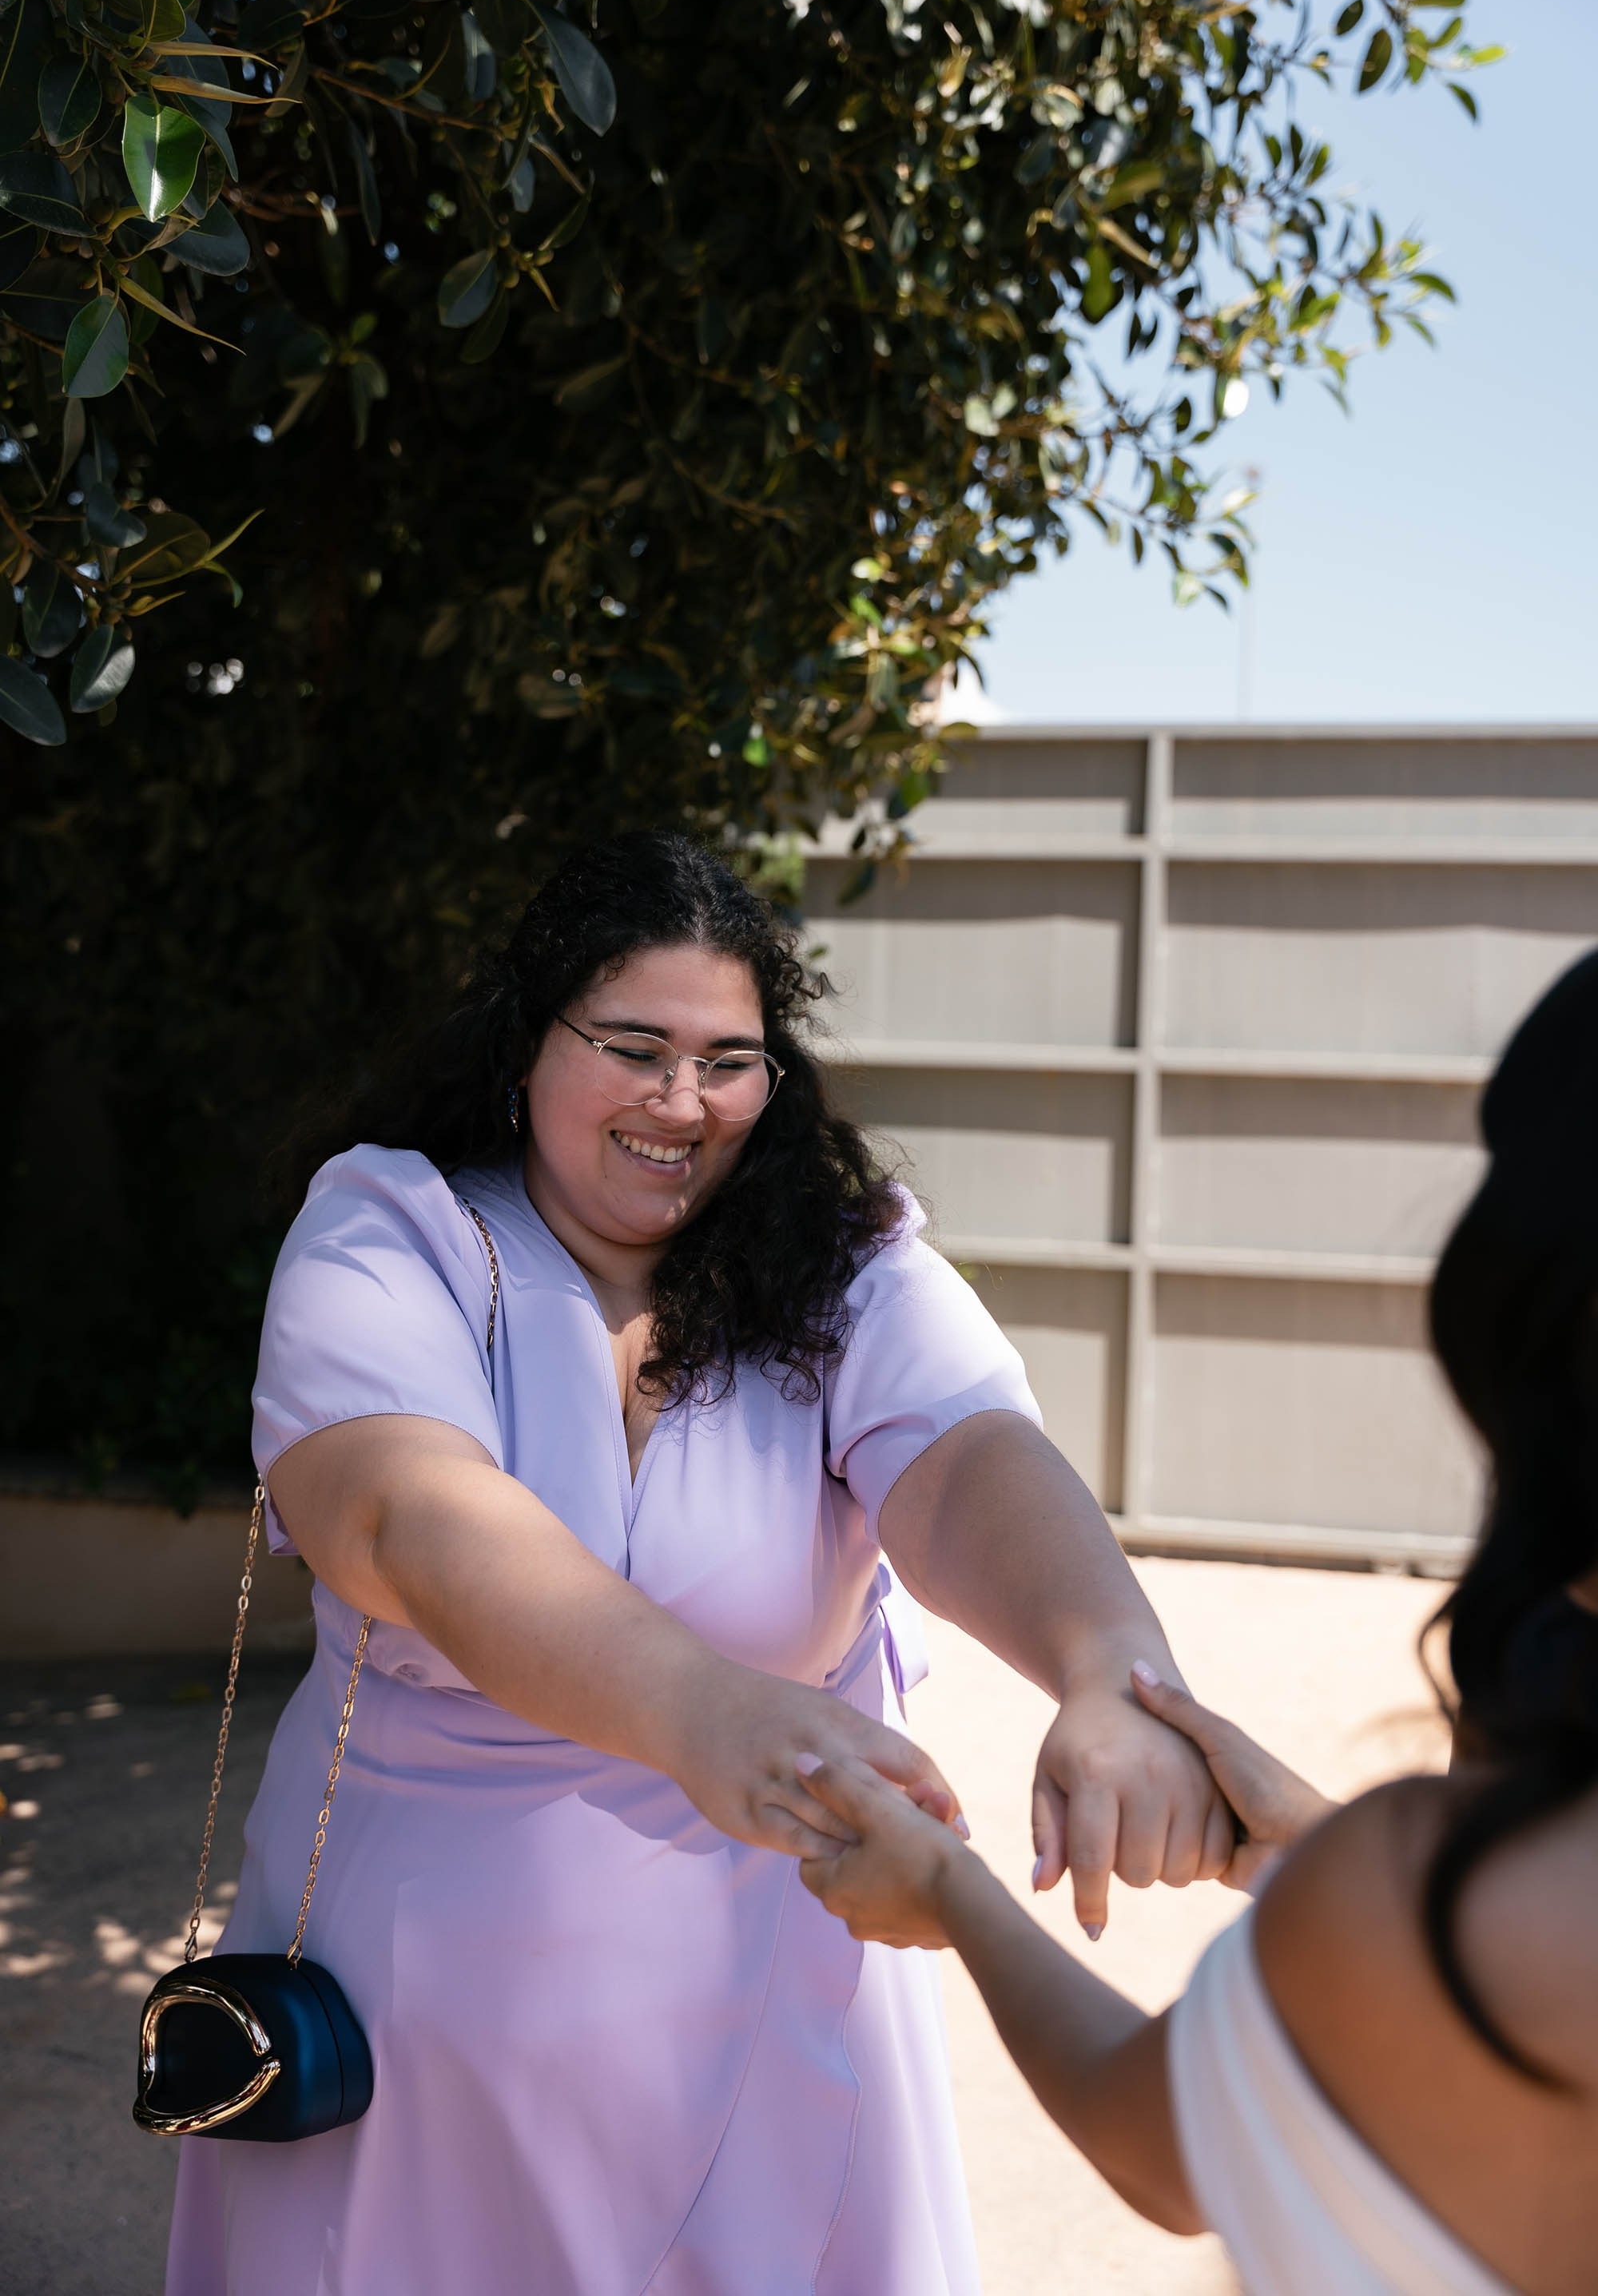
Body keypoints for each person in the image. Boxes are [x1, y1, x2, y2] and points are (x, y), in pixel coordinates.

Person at [165, 832, 1231, 2296]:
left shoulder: (842, 1261)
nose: (683, 1102)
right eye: (634, 1046)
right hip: (421, 2025)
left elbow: (972, 1456)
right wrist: (714, 1715)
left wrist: (1109, 1664)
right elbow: (407, 1518)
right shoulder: (391, 1232)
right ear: (528, 1039)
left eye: (731, 1060)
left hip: (776, 1995)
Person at [798, 947, 1598, 2296]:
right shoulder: (1398, 1888)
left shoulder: (1428, 1904)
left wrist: (948, 1890)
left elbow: (1154, 2138)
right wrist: (1311, 1852)